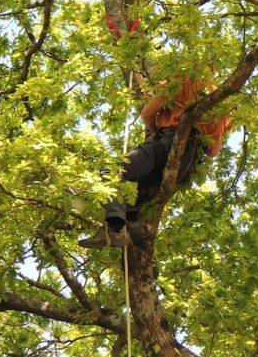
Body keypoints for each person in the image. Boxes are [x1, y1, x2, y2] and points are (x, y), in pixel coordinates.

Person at [79, 77, 231, 248]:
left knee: (111, 170)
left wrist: (156, 133)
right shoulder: (222, 102)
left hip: (167, 145)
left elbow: (147, 114)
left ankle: (115, 230)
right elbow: (213, 152)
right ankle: (131, 224)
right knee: (133, 189)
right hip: (186, 165)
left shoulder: (181, 80)